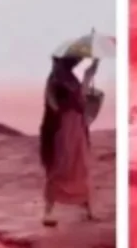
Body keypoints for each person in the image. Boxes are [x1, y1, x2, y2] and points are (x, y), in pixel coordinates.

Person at [39, 55, 99, 226]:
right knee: (60, 166)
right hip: (64, 128)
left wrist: (95, 64)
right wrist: (62, 110)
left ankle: (88, 210)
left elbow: (86, 83)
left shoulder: (71, 79)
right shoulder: (56, 79)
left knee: (80, 165)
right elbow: (51, 101)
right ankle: (48, 212)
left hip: (76, 127)